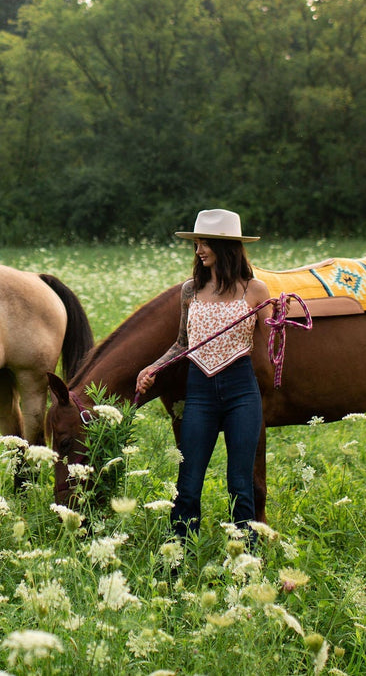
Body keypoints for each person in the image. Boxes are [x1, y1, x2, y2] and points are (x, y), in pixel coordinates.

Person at [136, 208, 269, 545]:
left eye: (204, 243)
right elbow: (183, 343)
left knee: (240, 482)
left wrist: (279, 322)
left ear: (225, 247)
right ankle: (177, 554)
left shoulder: (255, 290)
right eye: (196, 243)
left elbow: (272, 341)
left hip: (241, 390)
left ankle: (245, 559)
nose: (198, 251)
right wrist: (153, 367)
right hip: (200, 391)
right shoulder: (190, 291)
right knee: (188, 481)